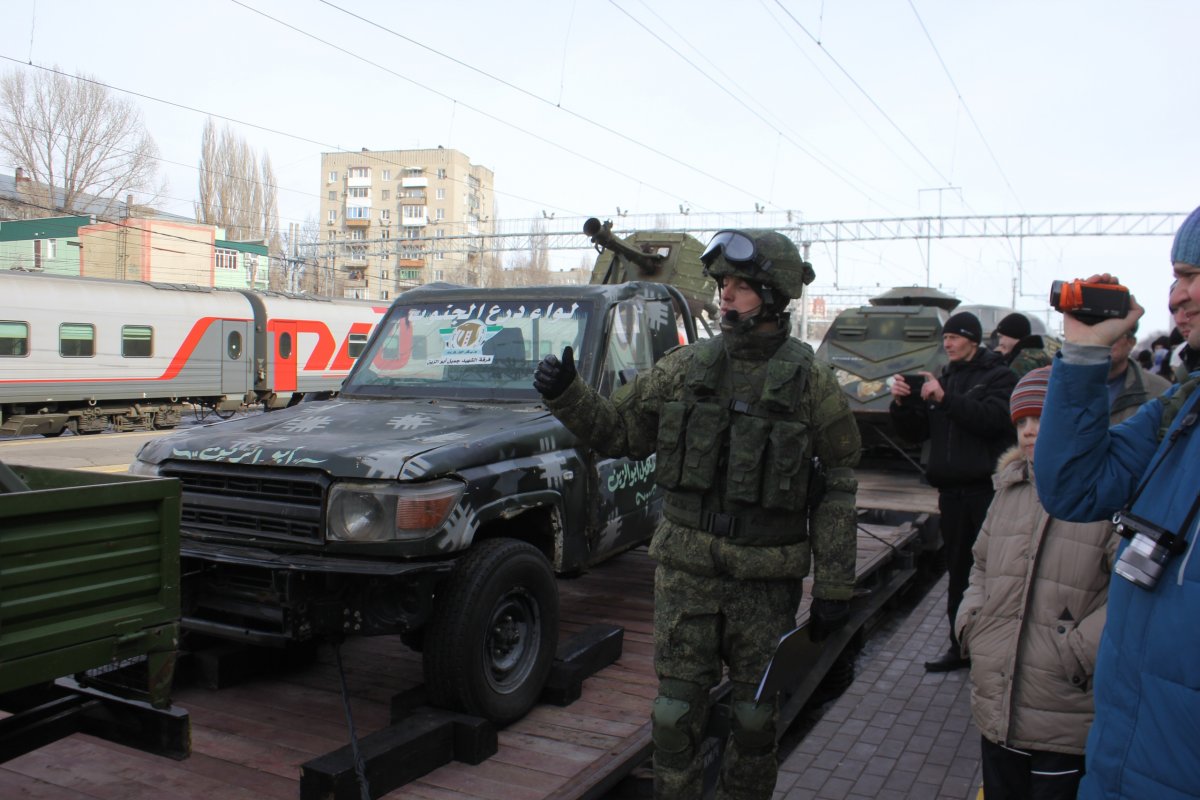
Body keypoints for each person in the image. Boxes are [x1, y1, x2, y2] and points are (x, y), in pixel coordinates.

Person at [533, 229, 861, 800]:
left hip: (766, 578)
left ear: (774, 294)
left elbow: (837, 484)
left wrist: (835, 584)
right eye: (723, 284)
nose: (725, 296)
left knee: (755, 722)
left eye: (740, 286)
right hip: (688, 573)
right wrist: (569, 395)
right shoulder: (685, 367)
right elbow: (622, 433)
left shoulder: (811, 381)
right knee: (673, 716)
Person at [1034, 204, 1200, 799]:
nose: (1176, 296)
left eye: (1193, 274)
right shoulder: (1182, 411)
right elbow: (1075, 487)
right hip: (1127, 759)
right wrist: (1082, 354)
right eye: (1176, 276)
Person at [956, 366, 1117, 800]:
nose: (1028, 431)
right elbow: (981, 565)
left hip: (1065, 708)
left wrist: (1079, 649)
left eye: (1041, 418)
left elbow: (1134, 592)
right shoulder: (1010, 490)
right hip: (998, 704)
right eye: (1022, 421)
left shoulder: (1109, 493)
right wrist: (973, 622)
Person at [889, 311, 1017, 672]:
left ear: (974, 340)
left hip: (985, 492)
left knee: (991, 572)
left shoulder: (999, 377)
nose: (948, 343)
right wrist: (903, 405)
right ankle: (959, 646)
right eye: (945, 338)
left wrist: (945, 400)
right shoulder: (945, 379)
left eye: (955, 337)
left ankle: (994, 648)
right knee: (958, 572)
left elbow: (993, 420)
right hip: (952, 494)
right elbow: (916, 434)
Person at [1107, 321, 1170, 424]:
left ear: (1131, 342)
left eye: (1113, 334)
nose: (1103, 340)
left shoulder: (1161, 391)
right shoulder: (1073, 386)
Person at [994, 311, 1052, 377]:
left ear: (1013, 334)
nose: (1000, 343)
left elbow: (1008, 384)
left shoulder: (1022, 362)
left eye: (1001, 337)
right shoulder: (1038, 354)